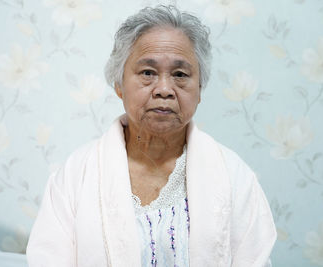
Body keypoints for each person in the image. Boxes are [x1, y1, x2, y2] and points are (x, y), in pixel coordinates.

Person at [26, 5, 276, 267]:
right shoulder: (76, 174)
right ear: (119, 85)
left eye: (180, 74)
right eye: (148, 72)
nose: (164, 89)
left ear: (200, 89)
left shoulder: (235, 177)